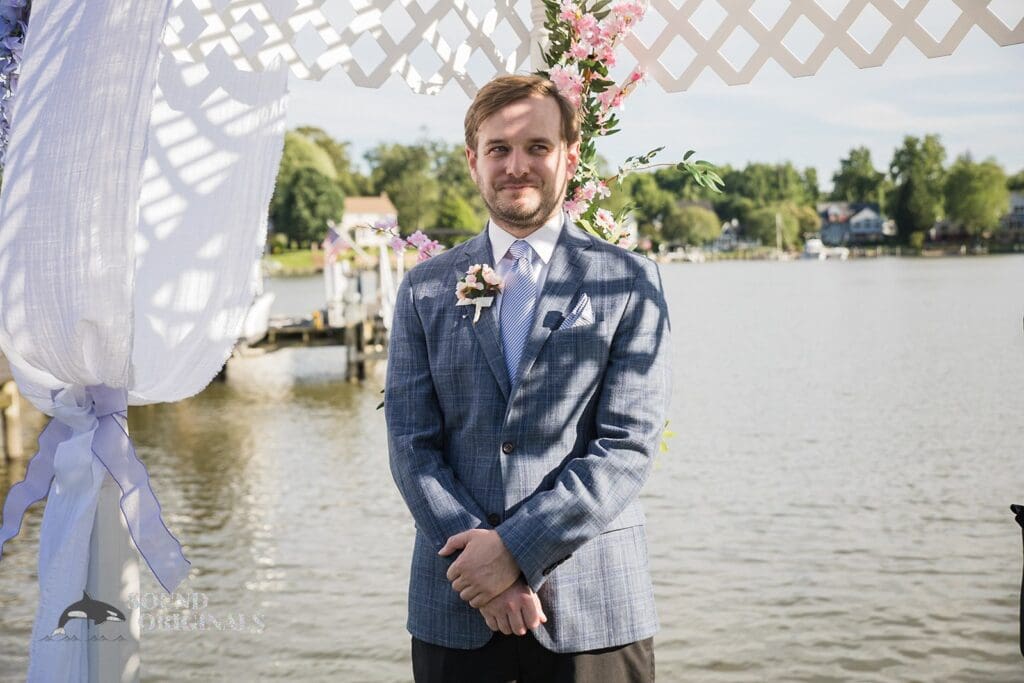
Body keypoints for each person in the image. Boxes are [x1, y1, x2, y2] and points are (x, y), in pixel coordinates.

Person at [385, 74, 671, 683]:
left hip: (594, 605)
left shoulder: (629, 281)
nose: (517, 166)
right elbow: (411, 445)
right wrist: (482, 567)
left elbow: (627, 445)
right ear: (473, 161)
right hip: (457, 603)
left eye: (537, 147)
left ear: (569, 156)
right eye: (499, 149)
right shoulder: (423, 289)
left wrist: (515, 550)